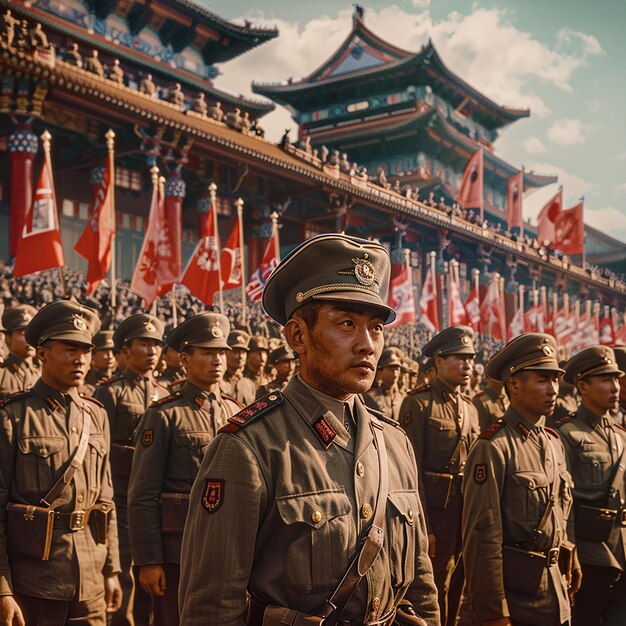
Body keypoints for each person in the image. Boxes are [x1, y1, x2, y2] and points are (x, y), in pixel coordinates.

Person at [179, 233, 439, 625]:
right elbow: (213, 605)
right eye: (347, 323)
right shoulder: (251, 446)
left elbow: (420, 587)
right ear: (298, 336)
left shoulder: (394, 443)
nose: (367, 344)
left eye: (376, 328)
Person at [0, 300, 122, 625]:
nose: (80, 358)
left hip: (91, 576)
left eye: (85, 350)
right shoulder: (13, 417)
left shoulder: (96, 415)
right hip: (34, 582)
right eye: (69, 349)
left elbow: (106, 500)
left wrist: (112, 569)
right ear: (42, 353)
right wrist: (3, 589)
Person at [128, 313, 242, 626]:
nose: (218, 359)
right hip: (178, 553)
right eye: (207, 352)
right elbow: (143, 494)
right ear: (185, 359)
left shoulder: (235, 411)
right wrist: (149, 560)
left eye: (221, 352)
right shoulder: (165, 415)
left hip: (229, 551)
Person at [462, 333, 577, 626]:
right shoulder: (493, 447)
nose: (553, 390)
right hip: (515, 599)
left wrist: (567, 550)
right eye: (542, 380)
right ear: (513, 384)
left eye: (555, 380)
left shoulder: (553, 443)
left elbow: (559, 513)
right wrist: (494, 611)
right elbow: (482, 537)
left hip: (553, 590)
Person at [399, 325, 480, 626]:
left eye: (470, 359)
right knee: (433, 586)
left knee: (458, 579)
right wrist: (425, 528)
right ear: (438, 362)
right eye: (458, 358)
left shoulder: (470, 409)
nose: (467, 365)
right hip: (434, 511)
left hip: (462, 511)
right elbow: (410, 472)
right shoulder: (418, 404)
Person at [94, 314, 167, 626]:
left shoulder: (165, 394)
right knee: (124, 569)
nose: (151, 351)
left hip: (156, 499)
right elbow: (100, 451)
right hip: (122, 496)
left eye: (155, 345)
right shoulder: (110, 393)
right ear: (125, 351)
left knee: (153, 570)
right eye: (144, 344)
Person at [557, 346, 626, 625]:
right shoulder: (567, 434)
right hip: (588, 553)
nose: (615, 388)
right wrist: (569, 551)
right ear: (583, 386)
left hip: (620, 547)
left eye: (616, 380)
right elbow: (563, 501)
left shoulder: (621, 435)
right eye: (605, 381)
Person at [0, 304, 39, 399]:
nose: (30, 339)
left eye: (33, 334)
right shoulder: (2, 374)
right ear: (8, 338)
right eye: (23, 333)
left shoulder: (44, 373)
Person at [363, 346, 404, 421]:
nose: (395, 374)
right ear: (380, 372)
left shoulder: (401, 398)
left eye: (397, 369)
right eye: (391, 369)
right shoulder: (370, 398)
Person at [81, 330, 116, 396]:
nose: (110, 356)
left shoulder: (119, 382)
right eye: (104, 351)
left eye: (112, 352)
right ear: (93, 355)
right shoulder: (84, 383)